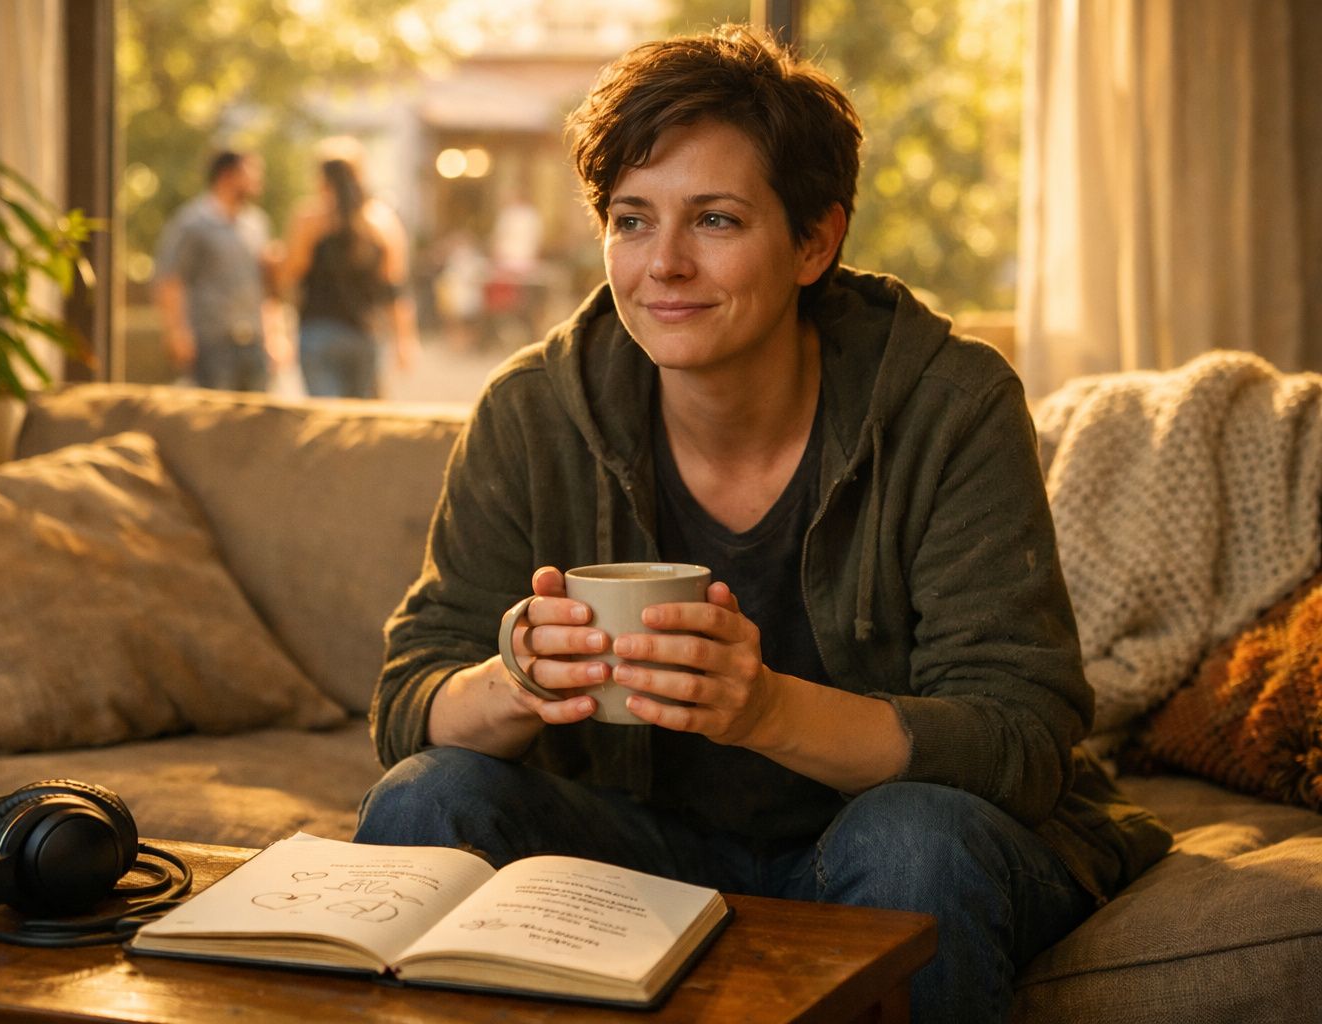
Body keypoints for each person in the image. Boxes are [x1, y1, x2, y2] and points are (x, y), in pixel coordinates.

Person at [358, 24, 1171, 1023]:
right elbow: (408, 701)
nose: (664, 264)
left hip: (875, 836)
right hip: (637, 847)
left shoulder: (947, 405)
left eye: (716, 219)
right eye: (631, 219)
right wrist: (518, 679)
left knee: (913, 843)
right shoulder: (532, 412)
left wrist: (765, 712)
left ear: (815, 242)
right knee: (426, 796)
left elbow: (1022, 739)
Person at [278, 138, 419, 399]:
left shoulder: (309, 218)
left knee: (325, 416)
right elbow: (395, 287)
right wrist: (404, 339)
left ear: (321, 178)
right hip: (366, 333)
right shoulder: (382, 221)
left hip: (318, 330)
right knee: (361, 417)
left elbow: (291, 273)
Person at [153, 150, 280, 392]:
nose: (258, 180)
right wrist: (177, 332)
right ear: (227, 175)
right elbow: (171, 279)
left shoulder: (257, 224)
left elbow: (265, 284)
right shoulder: (192, 223)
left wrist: (274, 335)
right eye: (250, 173)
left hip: (253, 342)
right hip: (211, 341)